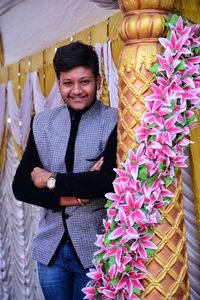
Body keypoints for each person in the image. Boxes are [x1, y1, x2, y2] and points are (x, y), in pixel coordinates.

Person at [12, 41, 118, 300]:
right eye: (68, 83)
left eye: (84, 81)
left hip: (95, 248)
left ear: (98, 80)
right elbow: (21, 187)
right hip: (51, 251)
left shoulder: (114, 120)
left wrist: (48, 179)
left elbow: (107, 182)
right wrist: (74, 196)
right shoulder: (43, 123)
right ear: (58, 84)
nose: (77, 90)